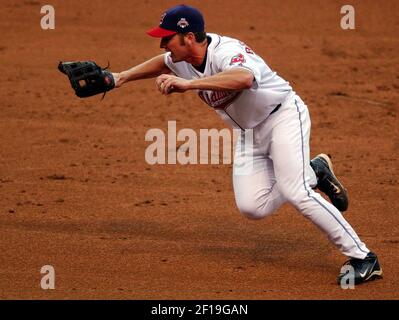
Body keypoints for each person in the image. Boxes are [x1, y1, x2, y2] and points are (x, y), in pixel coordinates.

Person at [111, 4, 382, 285]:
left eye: (167, 38)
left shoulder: (227, 51)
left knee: (297, 191)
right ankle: (315, 170)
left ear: (188, 37)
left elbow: (244, 77)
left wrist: (188, 86)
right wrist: (120, 77)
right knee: (253, 207)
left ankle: (364, 257)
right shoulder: (181, 58)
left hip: (283, 117)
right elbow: (162, 62)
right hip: (248, 134)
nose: (163, 43)